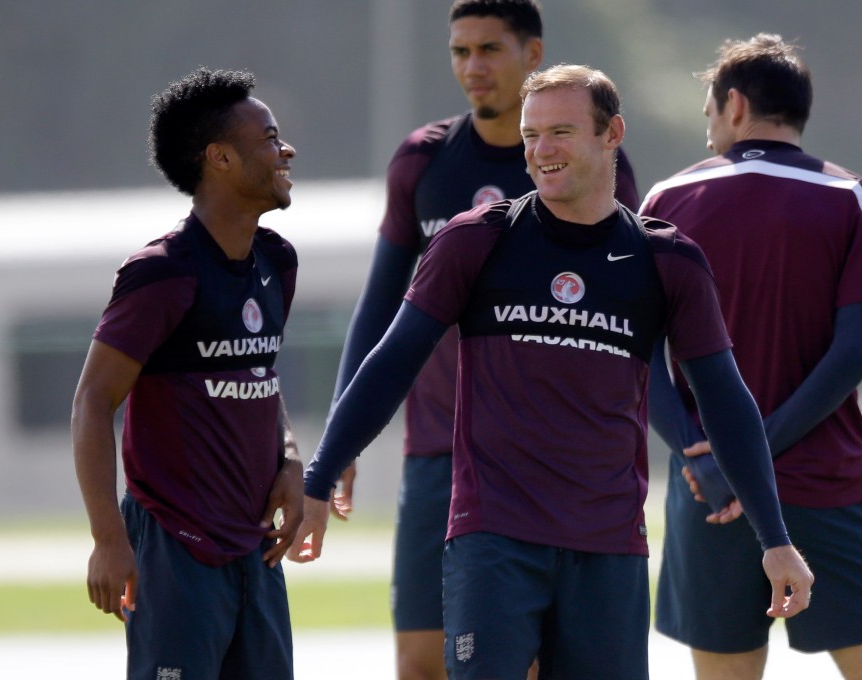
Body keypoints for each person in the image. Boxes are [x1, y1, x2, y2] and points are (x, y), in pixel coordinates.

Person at [290, 63, 812, 679]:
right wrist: (320, 478)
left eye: (560, 132)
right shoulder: (474, 241)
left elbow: (725, 400)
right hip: (493, 541)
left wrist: (774, 537)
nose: (541, 150)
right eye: (531, 134)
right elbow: (391, 362)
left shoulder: (667, 259)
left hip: (610, 548)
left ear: (611, 132)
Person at [327, 2, 639, 678]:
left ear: (533, 54)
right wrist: (340, 441)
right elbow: (380, 306)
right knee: (419, 661)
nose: (473, 67)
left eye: (489, 49)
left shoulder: (596, 165)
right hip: (439, 453)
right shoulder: (424, 160)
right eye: (459, 51)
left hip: (546, 463)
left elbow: (633, 315)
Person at [641, 34, 862, 680]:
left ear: (734, 105)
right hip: (825, 483)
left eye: (709, 108)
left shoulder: (664, 201)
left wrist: (701, 452)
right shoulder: (855, 200)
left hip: (705, 486)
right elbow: (851, 357)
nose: (708, 125)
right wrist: (751, 455)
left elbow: (638, 354)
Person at [71, 67, 303, 680]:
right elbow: (93, 402)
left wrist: (288, 457)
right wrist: (108, 539)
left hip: (255, 548)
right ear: (221, 158)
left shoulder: (277, 260)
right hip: (175, 547)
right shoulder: (162, 273)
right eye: (270, 138)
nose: (287, 150)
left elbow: (260, 376)